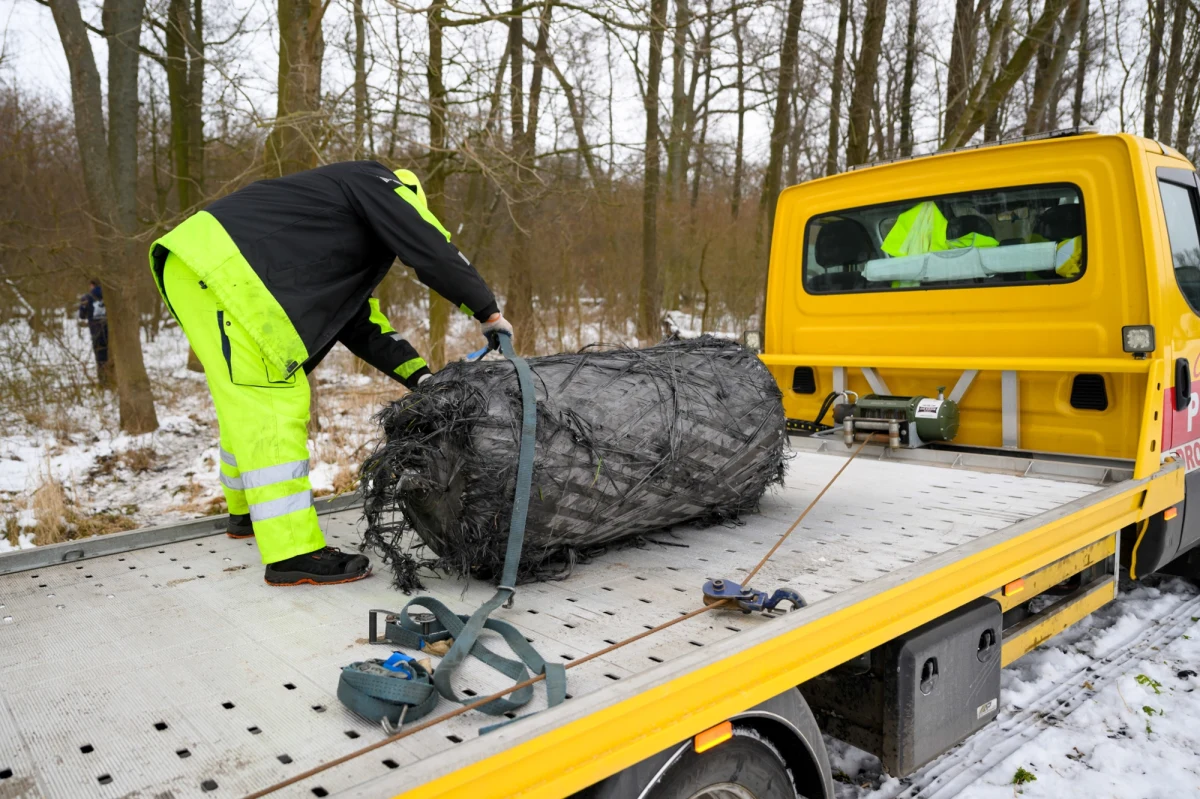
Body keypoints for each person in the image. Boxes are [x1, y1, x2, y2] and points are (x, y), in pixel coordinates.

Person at [148, 162, 513, 587]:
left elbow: (360, 323)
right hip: (229, 276)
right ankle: (292, 552)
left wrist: (422, 379)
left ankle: (245, 512)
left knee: (244, 396)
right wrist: (486, 311)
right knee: (272, 401)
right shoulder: (380, 184)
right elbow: (431, 248)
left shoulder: (330, 227)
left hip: (197, 269)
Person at [77, 279, 109, 381]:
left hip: (95, 331)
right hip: (109, 330)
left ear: (92, 285)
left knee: (100, 357)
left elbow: (82, 315)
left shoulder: (87, 297)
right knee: (110, 355)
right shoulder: (110, 296)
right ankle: (112, 378)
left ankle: (103, 380)